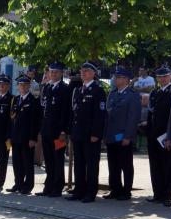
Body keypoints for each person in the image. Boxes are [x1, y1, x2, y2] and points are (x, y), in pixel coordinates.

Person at [67, 62, 106, 203]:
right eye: (82, 70)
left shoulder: (98, 91)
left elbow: (100, 115)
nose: (83, 73)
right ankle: (79, 190)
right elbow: (73, 113)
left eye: (87, 71)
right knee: (78, 164)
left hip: (91, 135)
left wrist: (96, 134)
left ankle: (90, 192)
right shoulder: (77, 90)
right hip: (78, 134)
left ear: (94, 73)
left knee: (91, 165)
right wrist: (71, 131)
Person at [103, 67, 141, 201]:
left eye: (118, 77)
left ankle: (126, 191)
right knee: (113, 165)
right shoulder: (112, 94)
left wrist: (127, 136)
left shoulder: (132, 95)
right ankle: (115, 189)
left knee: (125, 164)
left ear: (126, 80)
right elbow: (107, 116)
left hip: (123, 135)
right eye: (115, 77)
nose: (115, 79)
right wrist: (105, 135)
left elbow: (133, 118)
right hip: (112, 135)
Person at [36, 62, 71, 197]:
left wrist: (63, 131)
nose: (53, 74)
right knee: (49, 160)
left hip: (59, 133)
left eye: (56, 72)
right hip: (47, 131)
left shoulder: (65, 89)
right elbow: (43, 110)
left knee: (58, 160)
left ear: (61, 73)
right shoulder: (47, 88)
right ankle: (48, 186)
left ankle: (57, 187)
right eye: (51, 71)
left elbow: (66, 112)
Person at [147, 66, 171, 205]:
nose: (162, 79)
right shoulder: (155, 92)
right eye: (159, 77)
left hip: (165, 135)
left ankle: (166, 195)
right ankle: (157, 193)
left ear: (170, 77)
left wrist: (170, 136)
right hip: (153, 135)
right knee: (155, 166)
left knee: (167, 166)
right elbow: (151, 113)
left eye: (165, 76)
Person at [6, 75, 41, 194]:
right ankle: (18, 183)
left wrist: (33, 138)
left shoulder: (33, 100)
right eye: (20, 85)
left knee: (27, 163)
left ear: (29, 86)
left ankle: (28, 186)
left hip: (27, 138)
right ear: (18, 86)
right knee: (17, 163)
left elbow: (35, 121)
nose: (23, 87)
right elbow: (11, 120)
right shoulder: (15, 100)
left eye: (25, 85)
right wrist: (10, 136)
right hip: (15, 137)